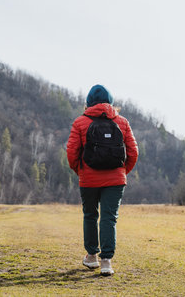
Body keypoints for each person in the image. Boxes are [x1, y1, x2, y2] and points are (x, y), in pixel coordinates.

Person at [66, 84, 138, 276]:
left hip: (88, 178)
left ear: (88, 102)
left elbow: (72, 153)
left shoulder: (80, 122)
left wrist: (80, 171)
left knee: (90, 215)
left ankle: (91, 257)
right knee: (109, 218)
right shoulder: (122, 122)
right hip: (116, 179)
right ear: (110, 101)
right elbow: (133, 152)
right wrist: (122, 171)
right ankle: (107, 261)